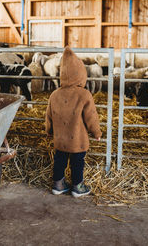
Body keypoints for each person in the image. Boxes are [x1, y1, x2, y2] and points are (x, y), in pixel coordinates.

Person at [45, 46, 102, 198]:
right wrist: (96, 132)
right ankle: (78, 187)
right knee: (78, 162)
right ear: (81, 74)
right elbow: (91, 117)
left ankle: (58, 185)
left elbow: (48, 116)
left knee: (60, 160)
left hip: (60, 139)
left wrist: (49, 131)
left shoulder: (54, 94)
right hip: (77, 139)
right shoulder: (84, 94)